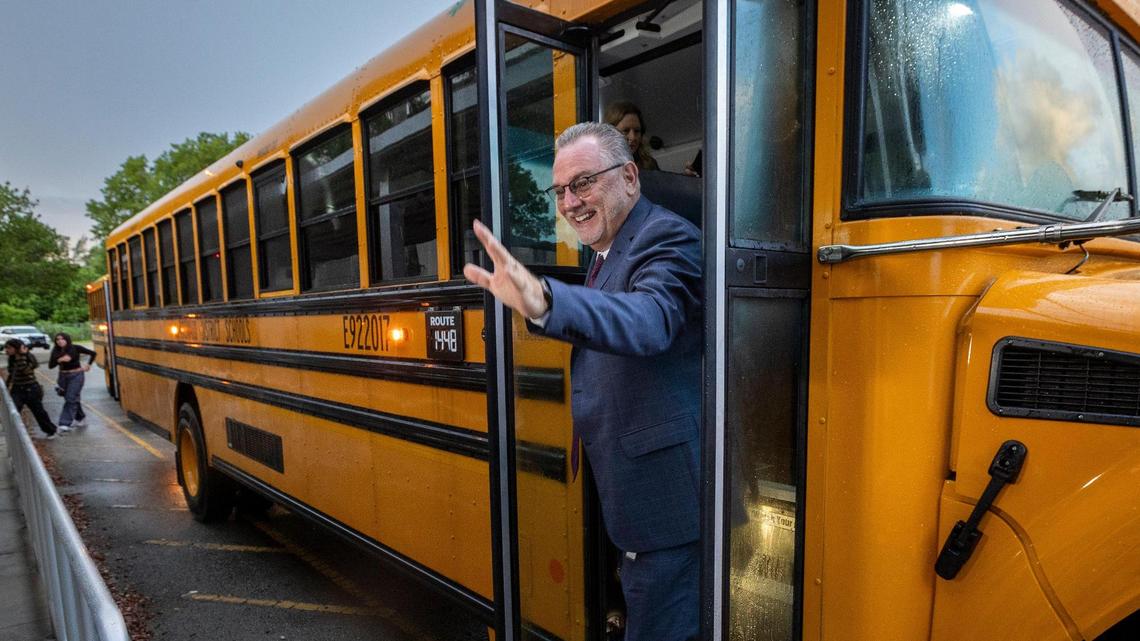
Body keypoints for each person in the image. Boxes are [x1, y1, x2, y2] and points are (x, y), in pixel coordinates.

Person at [464, 122, 701, 641]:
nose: (570, 202)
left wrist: (547, 301)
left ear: (631, 177)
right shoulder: (605, 254)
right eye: (561, 190)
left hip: (670, 509)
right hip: (637, 500)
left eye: (585, 182)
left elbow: (651, 318)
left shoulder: (666, 237)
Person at [4, 339, 59, 439]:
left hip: (31, 388)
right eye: (6, 348)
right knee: (14, 411)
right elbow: (12, 374)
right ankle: (14, 434)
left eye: (9, 348)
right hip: (17, 389)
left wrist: (22, 356)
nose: (7, 350)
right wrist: (6, 386)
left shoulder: (28, 357)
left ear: (17, 348)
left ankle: (50, 430)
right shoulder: (11, 359)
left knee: (39, 411)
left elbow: (26, 370)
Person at [48, 332, 95, 430]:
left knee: (71, 397)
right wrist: (59, 360)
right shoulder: (56, 350)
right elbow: (50, 366)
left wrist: (88, 365)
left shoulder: (75, 348)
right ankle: (81, 417)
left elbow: (93, 353)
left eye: (62, 339)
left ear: (67, 339)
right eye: (57, 339)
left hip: (76, 375)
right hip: (63, 376)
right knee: (71, 398)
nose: (60, 341)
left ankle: (64, 423)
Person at [603, 101, 660, 171]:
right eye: (625, 131)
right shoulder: (597, 165)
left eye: (637, 131)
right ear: (610, 133)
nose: (633, 137)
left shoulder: (649, 165)